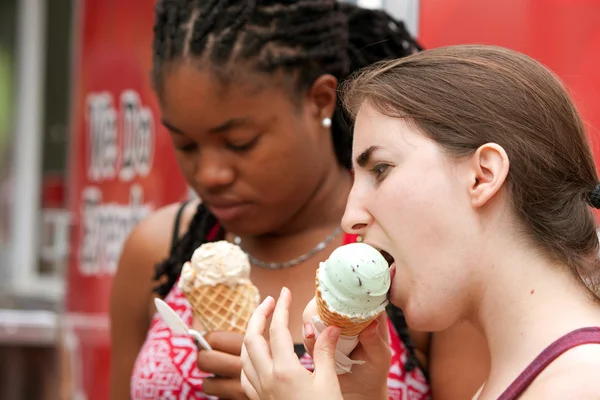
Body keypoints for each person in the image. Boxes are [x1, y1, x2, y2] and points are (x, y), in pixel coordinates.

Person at [109, 1, 489, 399]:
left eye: (240, 143)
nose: (209, 174)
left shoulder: (416, 265)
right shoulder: (157, 250)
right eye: (185, 144)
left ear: (321, 100)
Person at [240, 44, 600, 400]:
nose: (350, 219)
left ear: (482, 176)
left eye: (380, 169)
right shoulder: (530, 373)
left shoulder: (579, 383)